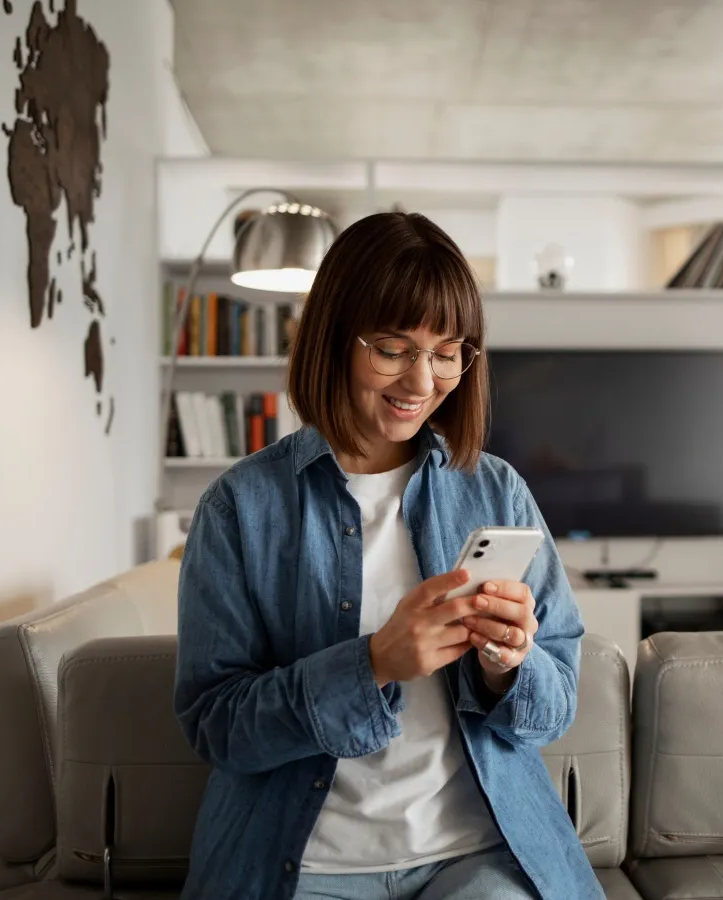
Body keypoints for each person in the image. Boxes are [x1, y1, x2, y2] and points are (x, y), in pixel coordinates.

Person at [173, 211, 603, 900]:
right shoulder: (240, 507)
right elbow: (218, 727)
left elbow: (555, 709)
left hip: (473, 855)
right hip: (303, 865)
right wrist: (373, 664)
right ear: (335, 338)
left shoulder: (496, 490)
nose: (422, 380)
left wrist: (508, 665)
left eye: (447, 351)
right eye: (394, 348)